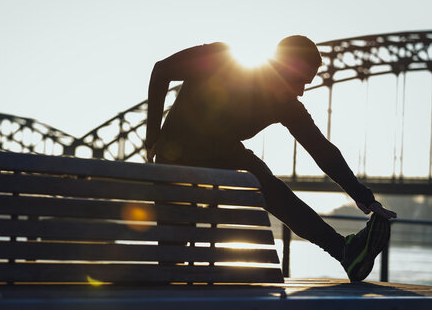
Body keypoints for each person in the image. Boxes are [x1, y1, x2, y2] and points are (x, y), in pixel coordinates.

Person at [145, 35, 397, 282]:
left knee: (269, 185)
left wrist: (363, 197)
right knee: (173, 255)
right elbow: (161, 71)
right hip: (178, 156)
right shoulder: (222, 58)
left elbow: (322, 150)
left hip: (222, 154)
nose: (301, 91)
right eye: (300, 80)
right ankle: (344, 251)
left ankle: (344, 251)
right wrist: (152, 137)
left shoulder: (286, 104)